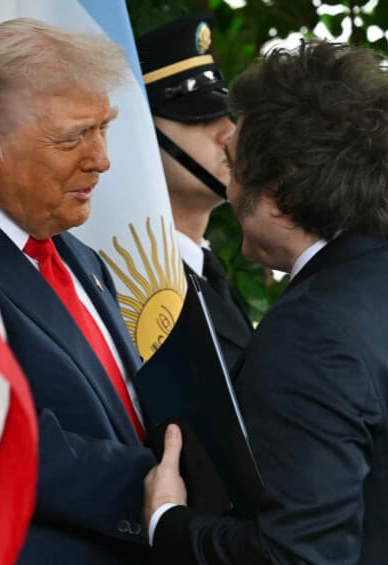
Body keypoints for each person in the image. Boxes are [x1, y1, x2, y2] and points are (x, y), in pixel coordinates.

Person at [143, 41, 388, 565]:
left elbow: (296, 562)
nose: (230, 186)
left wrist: (169, 522)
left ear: (281, 195)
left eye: (236, 167)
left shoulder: (312, 331)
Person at [0, 18, 156, 565]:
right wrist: (167, 488)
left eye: (104, 128)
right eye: (73, 136)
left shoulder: (81, 258)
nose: (102, 158)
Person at [136, 15, 252, 369]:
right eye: (198, 118)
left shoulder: (209, 273)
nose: (229, 133)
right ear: (141, 135)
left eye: (225, 115)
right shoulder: (134, 282)